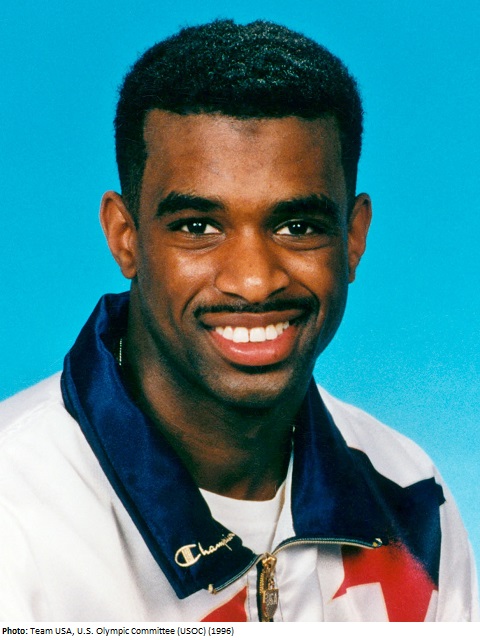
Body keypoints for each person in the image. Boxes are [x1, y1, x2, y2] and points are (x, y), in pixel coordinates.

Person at [0, 19, 477, 623]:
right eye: (198, 227)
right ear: (126, 237)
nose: (254, 281)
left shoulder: (410, 500)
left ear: (353, 237)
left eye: (297, 227)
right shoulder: (14, 510)